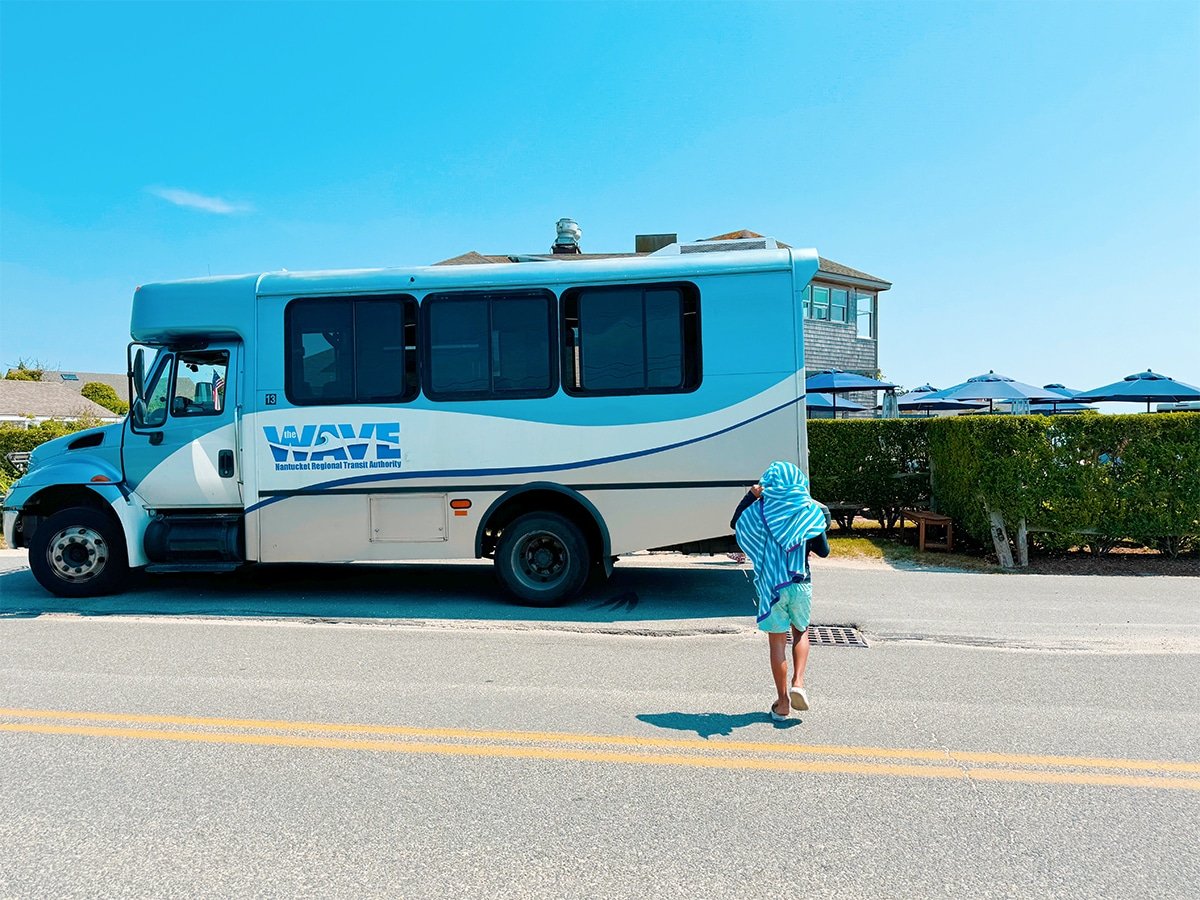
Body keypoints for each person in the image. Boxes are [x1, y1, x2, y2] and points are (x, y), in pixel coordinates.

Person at [732, 461, 830, 721]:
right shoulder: (809, 511)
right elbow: (824, 551)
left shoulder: (761, 511)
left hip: (773, 585)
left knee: (777, 643)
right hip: (801, 581)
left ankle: (783, 702)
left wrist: (751, 496)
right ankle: (799, 682)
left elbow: (736, 523)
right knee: (801, 633)